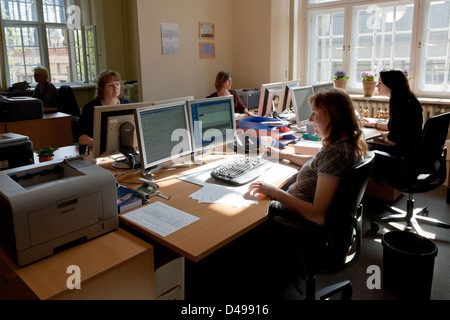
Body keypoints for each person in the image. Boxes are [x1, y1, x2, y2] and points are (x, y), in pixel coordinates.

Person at [248, 88, 367, 226]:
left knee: (248, 206)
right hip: (298, 203)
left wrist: (273, 191)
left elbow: (317, 215)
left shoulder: (336, 154)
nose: (310, 119)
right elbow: (316, 164)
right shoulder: (344, 143)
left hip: (296, 217)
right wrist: (284, 154)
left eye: (315, 113)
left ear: (333, 116)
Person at [363, 68, 423, 157]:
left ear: (390, 85)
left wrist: (385, 138)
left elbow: (392, 141)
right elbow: (395, 127)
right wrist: (374, 125)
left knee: (364, 145)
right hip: (411, 150)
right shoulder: (409, 99)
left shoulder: (399, 104)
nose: (376, 86)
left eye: (380, 83)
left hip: (401, 155)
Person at [77, 70, 131, 148]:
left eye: (117, 84)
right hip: (99, 150)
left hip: (123, 148)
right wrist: (94, 143)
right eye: (110, 85)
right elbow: (80, 136)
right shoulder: (91, 108)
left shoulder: (128, 104)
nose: (115, 88)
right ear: (102, 88)